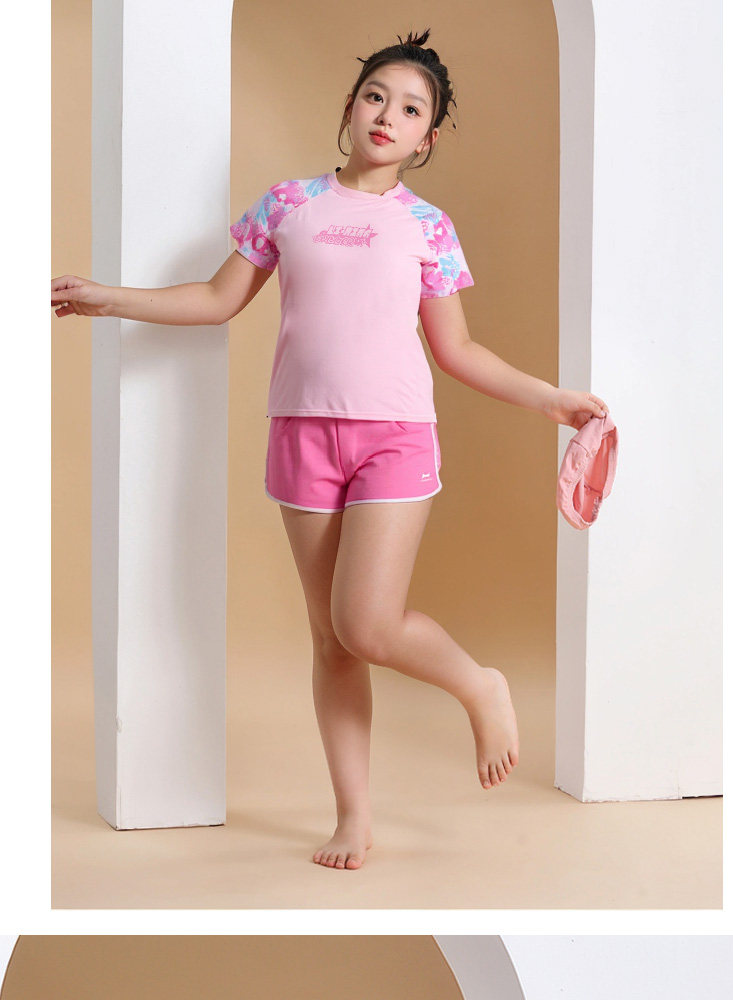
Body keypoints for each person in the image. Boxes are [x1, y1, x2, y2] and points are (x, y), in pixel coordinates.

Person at [51, 27, 609, 871]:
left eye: (411, 109)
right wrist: (109, 299)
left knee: (366, 621)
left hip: (395, 438)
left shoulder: (427, 227)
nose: (388, 114)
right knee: (332, 641)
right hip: (300, 435)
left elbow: (458, 351)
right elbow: (216, 299)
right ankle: (354, 818)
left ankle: (479, 683)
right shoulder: (287, 204)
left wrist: (552, 400)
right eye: (376, 96)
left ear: (427, 138)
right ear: (350, 108)